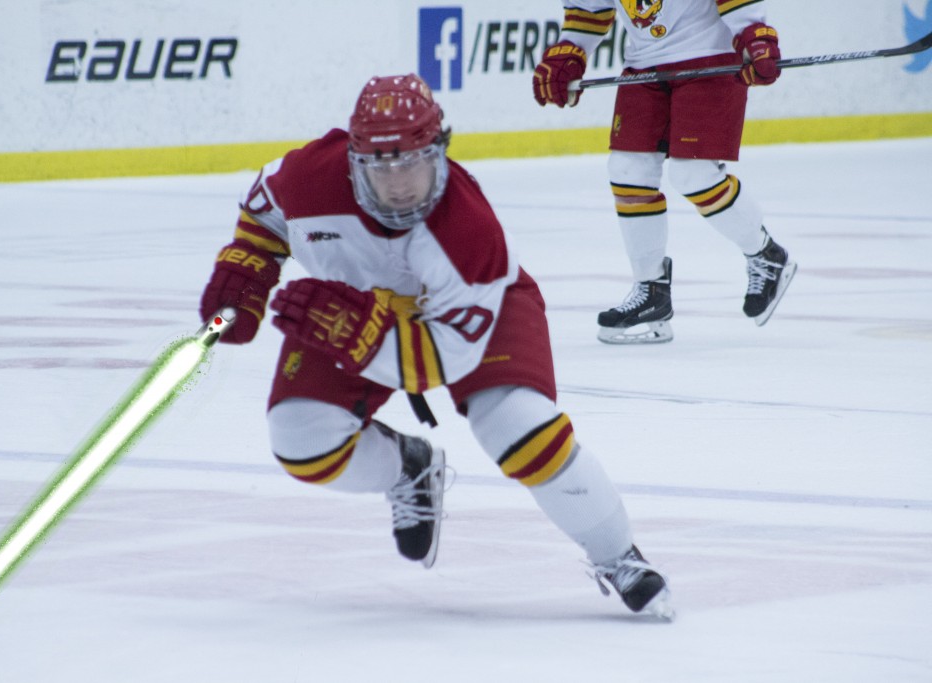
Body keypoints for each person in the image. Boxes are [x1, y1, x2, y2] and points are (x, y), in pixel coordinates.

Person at [197, 73, 673, 618]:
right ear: (355, 160)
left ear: (439, 151)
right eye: (382, 166)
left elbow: (437, 363)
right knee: (302, 440)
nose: (399, 183)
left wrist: (364, 336)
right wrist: (248, 266)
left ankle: (619, 555)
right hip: (356, 308)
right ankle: (410, 468)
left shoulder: (471, 233)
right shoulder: (308, 176)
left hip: (469, 317)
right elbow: (263, 215)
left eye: (413, 163)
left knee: (518, 428)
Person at [533, 0, 797, 344]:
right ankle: (651, 290)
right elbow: (589, 11)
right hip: (643, 66)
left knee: (694, 175)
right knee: (627, 171)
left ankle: (766, 254)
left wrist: (753, 33)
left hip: (709, 58)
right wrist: (569, 54)